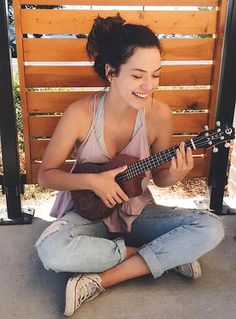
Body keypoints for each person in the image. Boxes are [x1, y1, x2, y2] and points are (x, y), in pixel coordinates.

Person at [35, 14, 225, 317]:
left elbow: (161, 179)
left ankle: (99, 279)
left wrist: (174, 174)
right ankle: (166, 257)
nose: (148, 86)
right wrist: (93, 182)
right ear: (111, 72)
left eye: (156, 75)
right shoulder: (80, 114)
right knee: (52, 250)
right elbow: (46, 175)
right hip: (88, 215)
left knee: (210, 227)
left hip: (137, 214)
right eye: (137, 76)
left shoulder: (159, 115)